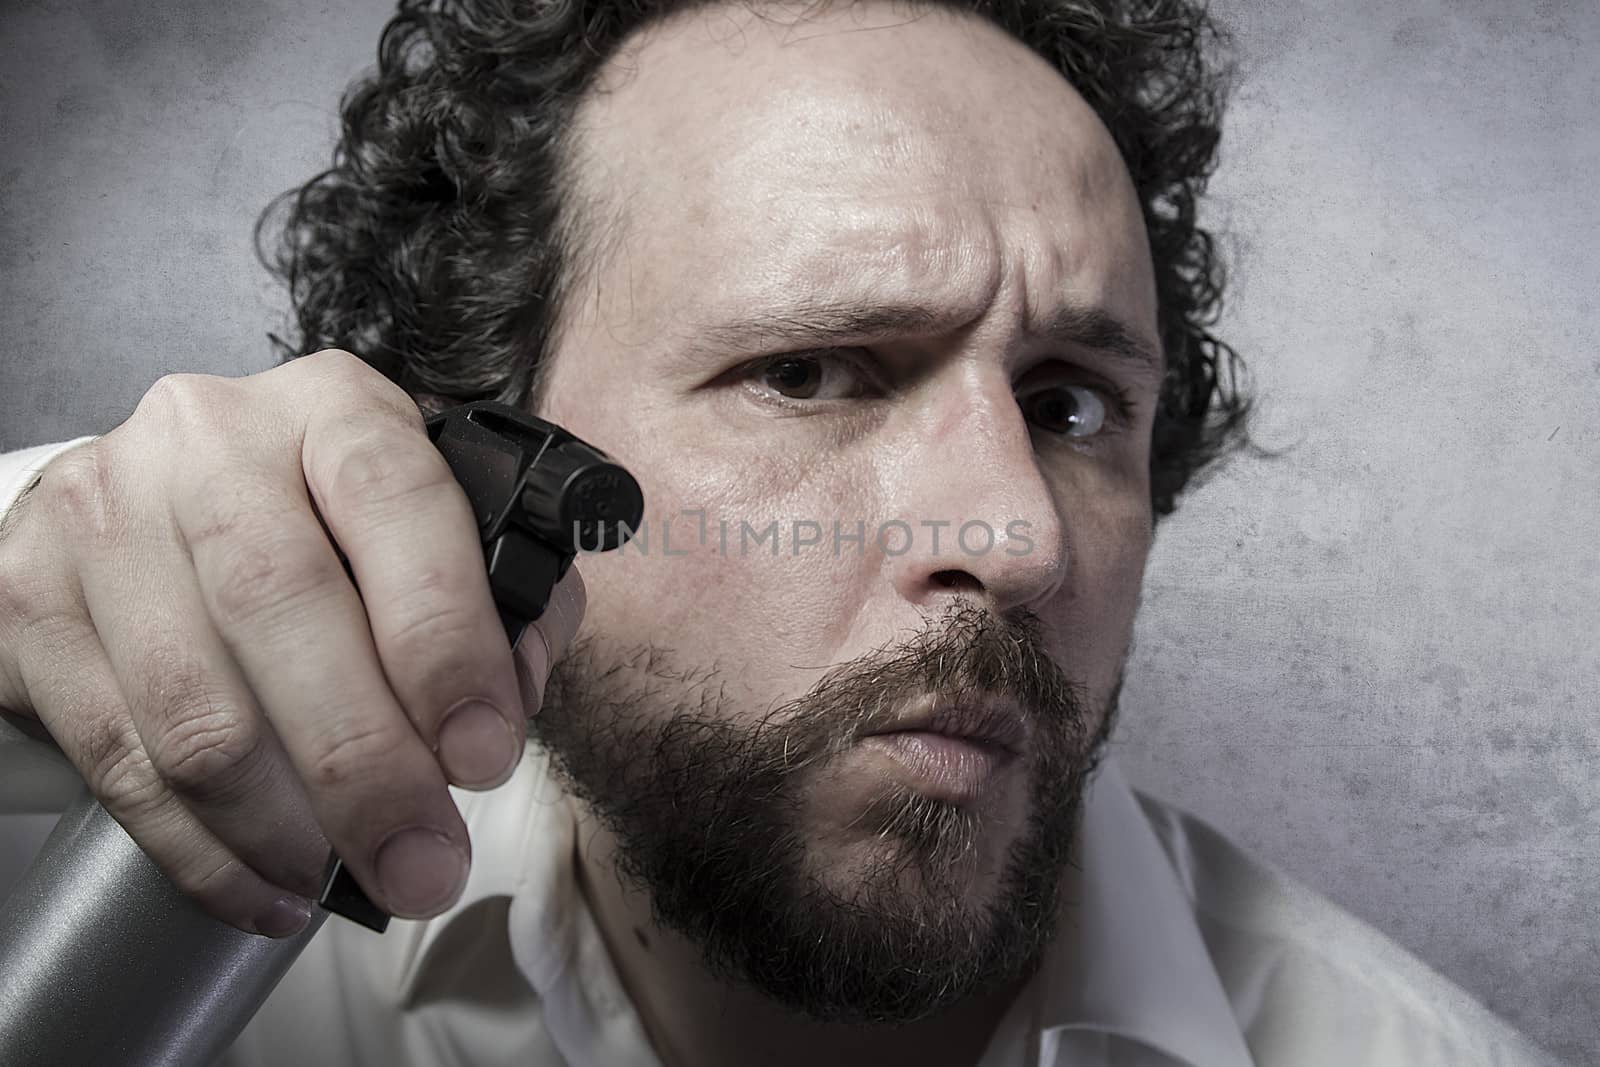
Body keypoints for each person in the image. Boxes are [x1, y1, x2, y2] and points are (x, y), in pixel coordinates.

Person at [0, 0, 1568, 1064]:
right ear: (472, 440)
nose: (1019, 538)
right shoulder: (172, 918)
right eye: (812, 373)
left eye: (1076, 406)